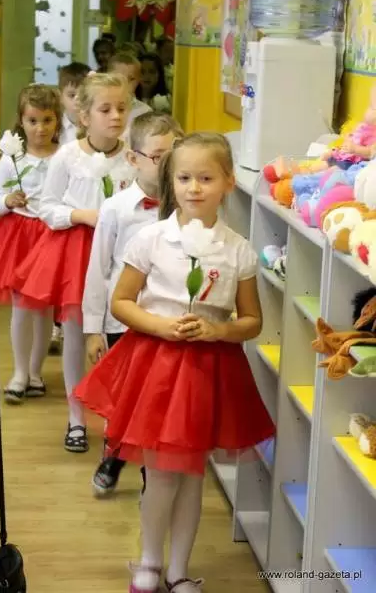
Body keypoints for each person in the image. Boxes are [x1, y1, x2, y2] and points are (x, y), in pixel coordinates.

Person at [74, 132, 275, 592]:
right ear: (172, 183)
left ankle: (179, 569)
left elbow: (252, 321)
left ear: (228, 183)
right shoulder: (151, 238)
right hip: (158, 367)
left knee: (191, 478)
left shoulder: (238, 249)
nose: (194, 188)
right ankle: (149, 562)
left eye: (206, 178)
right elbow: (122, 302)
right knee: (164, 475)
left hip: (209, 372)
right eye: (184, 178)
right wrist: (161, 326)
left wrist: (218, 330)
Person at [12, 73, 135, 452]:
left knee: (116, 337)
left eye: (122, 108)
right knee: (77, 336)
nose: (116, 116)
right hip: (76, 252)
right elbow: (47, 208)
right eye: (105, 109)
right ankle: (76, 417)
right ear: (84, 116)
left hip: (120, 254)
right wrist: (84, 215)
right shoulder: (67, 156)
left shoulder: (132, 156)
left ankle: (114, 417)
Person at [83, 111, 184, 497]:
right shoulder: (116, 209)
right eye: (159, 157)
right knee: (125, 398)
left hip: (167, 323)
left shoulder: (187, 207)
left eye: (174, 155)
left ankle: (150, 475)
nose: (168, 165)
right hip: (122, 321)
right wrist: (93, 328)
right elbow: (98, 269)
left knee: (156, 400)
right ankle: (114, 454)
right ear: (133, 159)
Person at [0, 84, 61, 404]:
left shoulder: (64, 157)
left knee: (44, 309)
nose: (40, 128)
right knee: (21, 308)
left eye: (47, 120)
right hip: (19, 239)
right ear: (21, 121)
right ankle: (19, 373)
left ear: (57, 120)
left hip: (51, 236)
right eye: (32, 121)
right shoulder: (11, 158)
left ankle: (36, 372)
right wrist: (9, 201)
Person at [49, 61, 91, 355]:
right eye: (71, 95)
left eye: (81, 96)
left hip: (86, 218)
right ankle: (57, 326)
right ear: (61, 95)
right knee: (60, 281)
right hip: (65, 215)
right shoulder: (57, 132)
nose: (76, 102)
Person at [107, 52, 152, 141]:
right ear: (108, 78)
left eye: (131, 79)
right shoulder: (98, 108)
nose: (125, 84)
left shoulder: (145, 112)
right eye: (118, 78)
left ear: (139, 80)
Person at [58, 61, 91, 146]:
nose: (78, 100)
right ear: (61, 97)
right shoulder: (55, 127)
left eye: (83, 94)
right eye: (72, 95)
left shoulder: (98, 126)